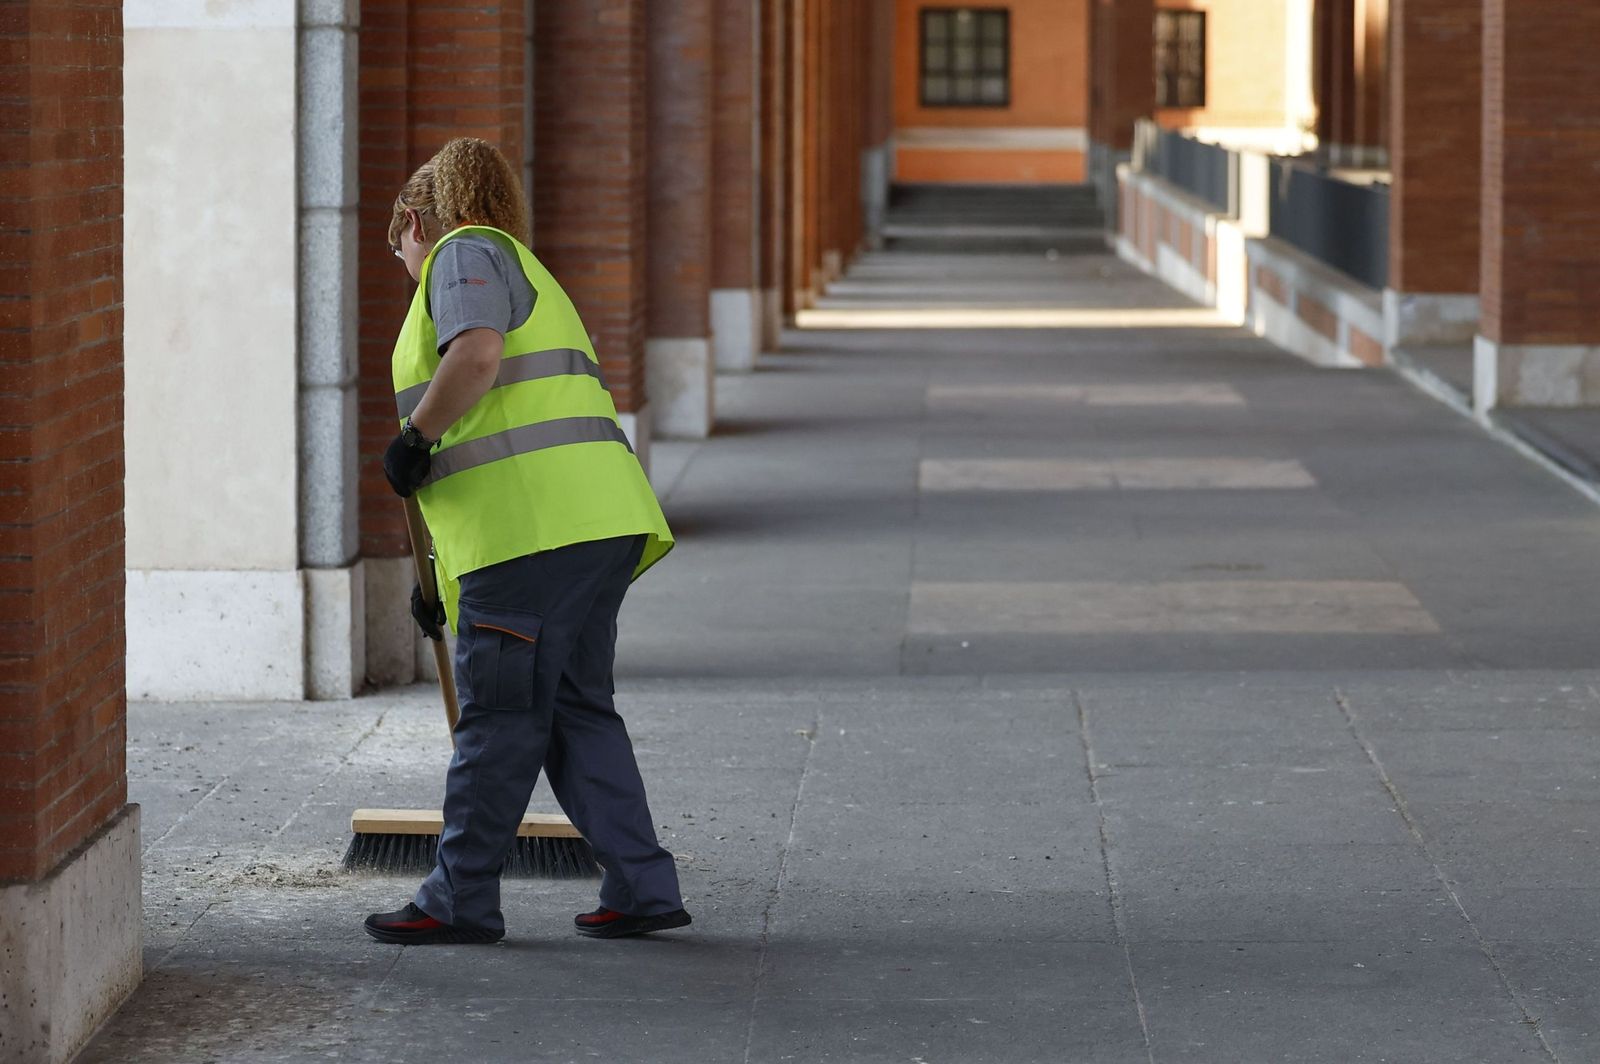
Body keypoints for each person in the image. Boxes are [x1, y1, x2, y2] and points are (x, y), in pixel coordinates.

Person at [362, 138, 691, 945]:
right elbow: (503, 431)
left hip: (532, 540)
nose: (403, 262)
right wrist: (438, 582)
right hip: (592, 525)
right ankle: (643, 885)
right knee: (578, 709)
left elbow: (476, 359)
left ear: (413, 220)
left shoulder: (462, 252)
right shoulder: (521, 263)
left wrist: (414, 436)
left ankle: (458, 898)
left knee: (500, 718)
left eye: (397, 246)